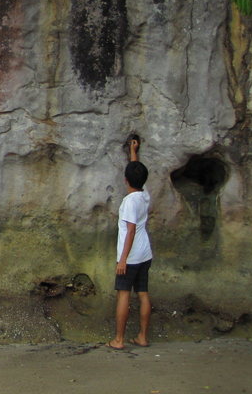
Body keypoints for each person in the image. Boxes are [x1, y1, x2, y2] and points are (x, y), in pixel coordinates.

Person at [107, 136, 153, 349]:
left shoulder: (128, 203)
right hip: (145, 254)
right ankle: (142, 337)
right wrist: (134, 152)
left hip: (131, 256)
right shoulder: (144, 195)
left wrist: (122, 260)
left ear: (125, 180)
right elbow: (136, 172)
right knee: (143, 294)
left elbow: (131, 230)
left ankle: (119, 340)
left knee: (123, 295)